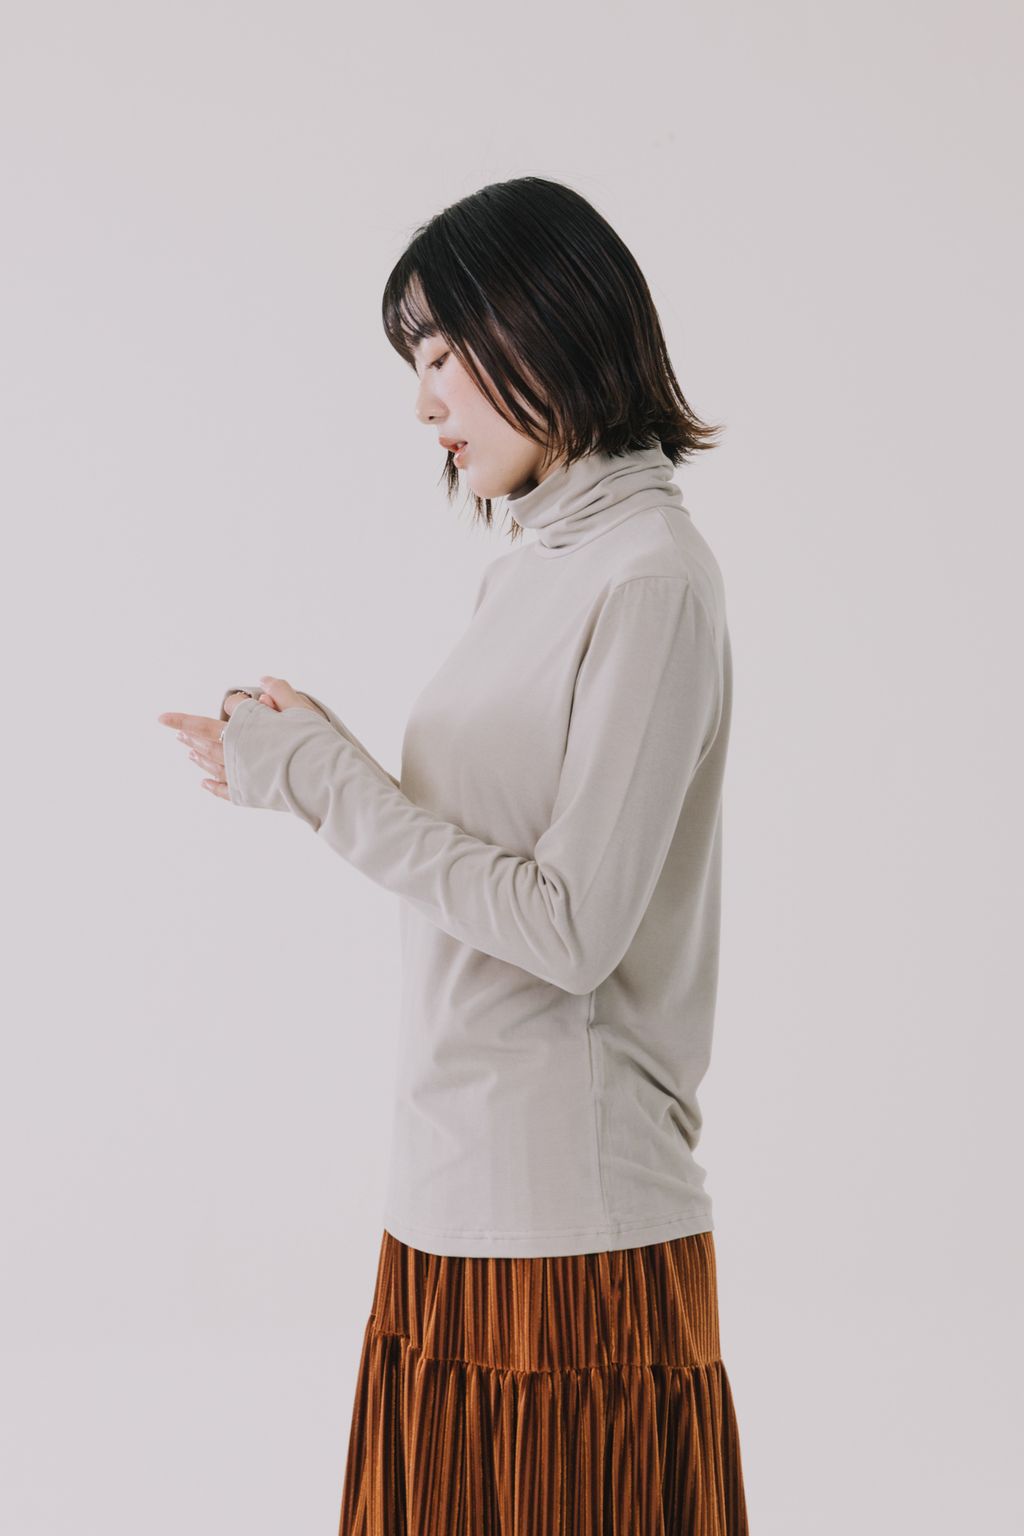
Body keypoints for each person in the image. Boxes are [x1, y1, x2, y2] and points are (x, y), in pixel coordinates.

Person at [158, 175, 749, 1534]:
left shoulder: (650, 576)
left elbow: (571, 927)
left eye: (442, 353)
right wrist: (321, 763)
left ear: (548, 323)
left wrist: (329, 785)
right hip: (450, 1188)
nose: (425, 403)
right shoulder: (534, 566)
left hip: (568, 1222)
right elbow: (475, 851)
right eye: (413, 364)